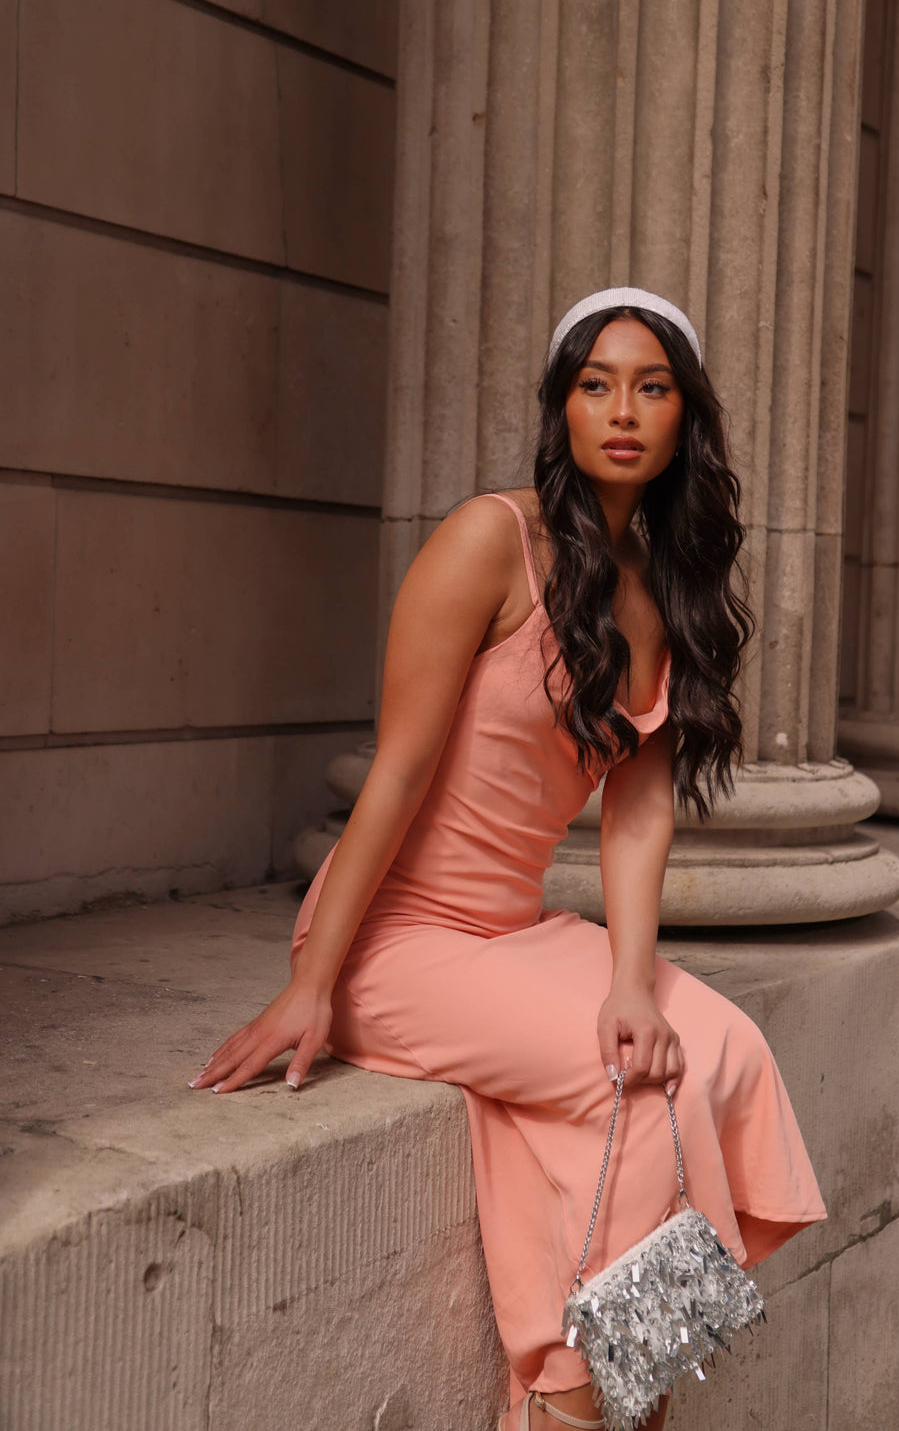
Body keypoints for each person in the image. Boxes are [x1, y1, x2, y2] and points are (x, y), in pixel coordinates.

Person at [189, 287, 828, 1431]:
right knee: (634, 1089)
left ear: (687, 415)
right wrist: (313, 980)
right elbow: (393, 772)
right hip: (396, 932)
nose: (621, 410)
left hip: (512, 934)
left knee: (723, 1048)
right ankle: (580, 1399)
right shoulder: (491, 539)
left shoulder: (666, 594)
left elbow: (636, 813)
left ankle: (602, 1386)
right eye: (594, 384)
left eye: (651, 385)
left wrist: (634, 979)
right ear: (561, 408)